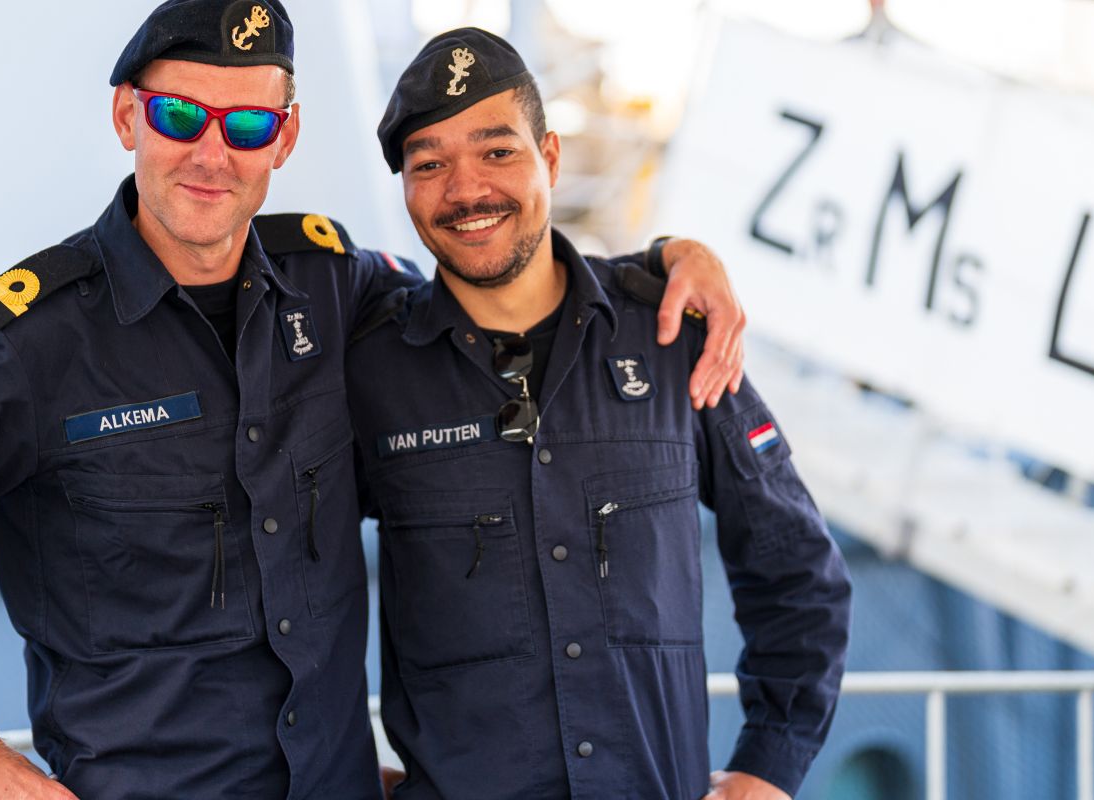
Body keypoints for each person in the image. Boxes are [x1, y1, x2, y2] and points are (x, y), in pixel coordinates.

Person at [0, 3, 747, 798]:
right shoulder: (22, 343)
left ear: (281, 137)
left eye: (245, 125)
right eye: (177, 117)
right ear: (126, 118)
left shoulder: (334, 285)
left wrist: (655, 266)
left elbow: (492, 278)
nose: (211, 152)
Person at [350, 28, 852, 800]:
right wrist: (337, 764)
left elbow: (795, 569)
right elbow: (281, 585)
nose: (465, 188)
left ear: (548, 158)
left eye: (496, 151)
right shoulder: (370, 369)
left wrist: (767, 767)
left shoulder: (670, 337)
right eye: (429, 164)